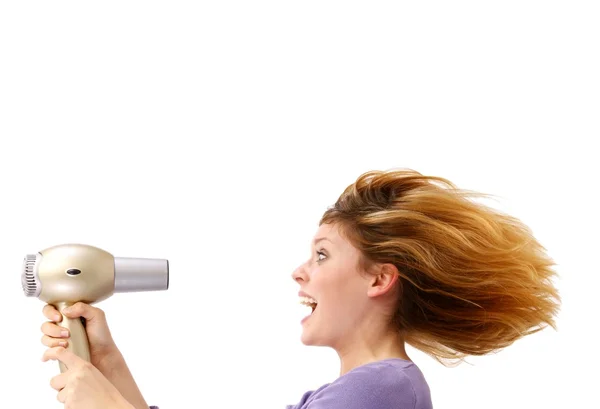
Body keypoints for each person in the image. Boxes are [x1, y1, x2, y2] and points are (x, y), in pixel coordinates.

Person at [40, 168, 561, 409]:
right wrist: (109, 370)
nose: (299, 272)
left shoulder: (382, 391)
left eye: (322, 254)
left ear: (380, 279)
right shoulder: (356, 393)